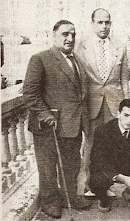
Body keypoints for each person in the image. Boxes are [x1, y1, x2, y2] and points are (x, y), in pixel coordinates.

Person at [23, 20, 91, 219]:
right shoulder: (40, 59)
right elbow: (30, 93)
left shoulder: (77, 59)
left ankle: (70, 196)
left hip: (73, 123)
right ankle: (50, 202)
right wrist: (46, 115)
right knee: (48, 166)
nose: (70, 38)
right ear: (54, 36)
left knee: (71, 164)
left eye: (73, 34)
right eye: (65, 34)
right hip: (49, 125)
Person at [75, 8, 130, 197]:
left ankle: (106, 184)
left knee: (111, 146)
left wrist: (127, 105)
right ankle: (90, 185)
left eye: (107, 22)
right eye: (100, 22)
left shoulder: (120, 46)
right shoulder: (80, 47)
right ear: (92, 24)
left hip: (114, 104)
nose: (104, 26)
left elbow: (124, 79)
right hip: (91, 104)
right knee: (90, 144)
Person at [89, 99, 130, 212]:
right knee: (96, 180)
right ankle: (104, 199)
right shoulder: (103, 130)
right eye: (126, 115)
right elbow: (98, 160)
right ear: (118, 114)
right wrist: (120, 177)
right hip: (110, 168)